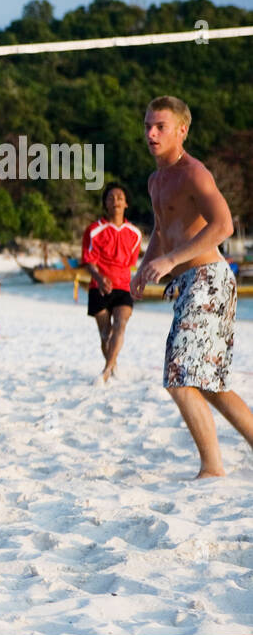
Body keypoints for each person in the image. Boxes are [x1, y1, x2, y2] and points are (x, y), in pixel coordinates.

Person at [131, 95, 253, 479]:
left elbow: (224, 226)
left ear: (181, 130)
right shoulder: (155, 180)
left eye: (160, 126)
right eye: (148, 125)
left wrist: (171, 259)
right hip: (189, 284)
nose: (151, 132)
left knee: (180, 375)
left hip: (210, 281)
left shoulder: (193, 173)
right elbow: (160, 229)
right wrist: (146, 264)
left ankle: (212, 468)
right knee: (208, 382)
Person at [82, 184, 143, 382]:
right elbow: (87, 261)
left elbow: (132, 263)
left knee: (120, 324)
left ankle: (107, 370)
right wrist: (100, 279)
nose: (115, 200)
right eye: (110, 198)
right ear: (105, 204)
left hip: (123, 287)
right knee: (105, 334)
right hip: (98, 287)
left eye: (119, 197)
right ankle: (113, 364)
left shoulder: (135, 233)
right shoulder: (93, 230)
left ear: (126, 203)